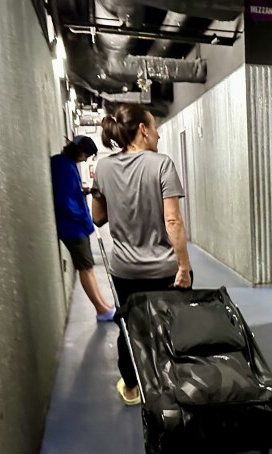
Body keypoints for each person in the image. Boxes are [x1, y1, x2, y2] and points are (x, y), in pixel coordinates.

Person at [91, 103, 192, 406]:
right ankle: (169, 384)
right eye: (155, 127)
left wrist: (122, 204)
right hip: (164, 269)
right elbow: (172, 220)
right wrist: (184, 267)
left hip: (125, 271)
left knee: (130, 326)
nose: (159, 135)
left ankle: (133, 388)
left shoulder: (105, 168)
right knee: (171, 324)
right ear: (143, 129)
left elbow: (97, 217)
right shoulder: (161, 164)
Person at [50, 135, 116, 322]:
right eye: (85, 155)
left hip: (77, 226)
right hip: (73, 228)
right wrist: (81, 217)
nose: (85, 159)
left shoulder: (65, 163)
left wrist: (82, 192)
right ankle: (101, 310)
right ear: (78, 151)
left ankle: (103, 306)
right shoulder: (62, 165)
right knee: (85, 269)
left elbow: (68, 192)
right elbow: (63, 200)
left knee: (88, 268)